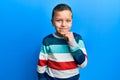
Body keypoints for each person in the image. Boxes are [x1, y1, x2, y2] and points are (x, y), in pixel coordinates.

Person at [37, 3, 88, 80]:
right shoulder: (47, 41)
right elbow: (42, 63)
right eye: (59, 20)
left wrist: (72, 42)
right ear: (52, 22)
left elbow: (83, 64)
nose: (63, 24)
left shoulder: (77, 39)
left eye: (68, 21)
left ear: (71, 22)